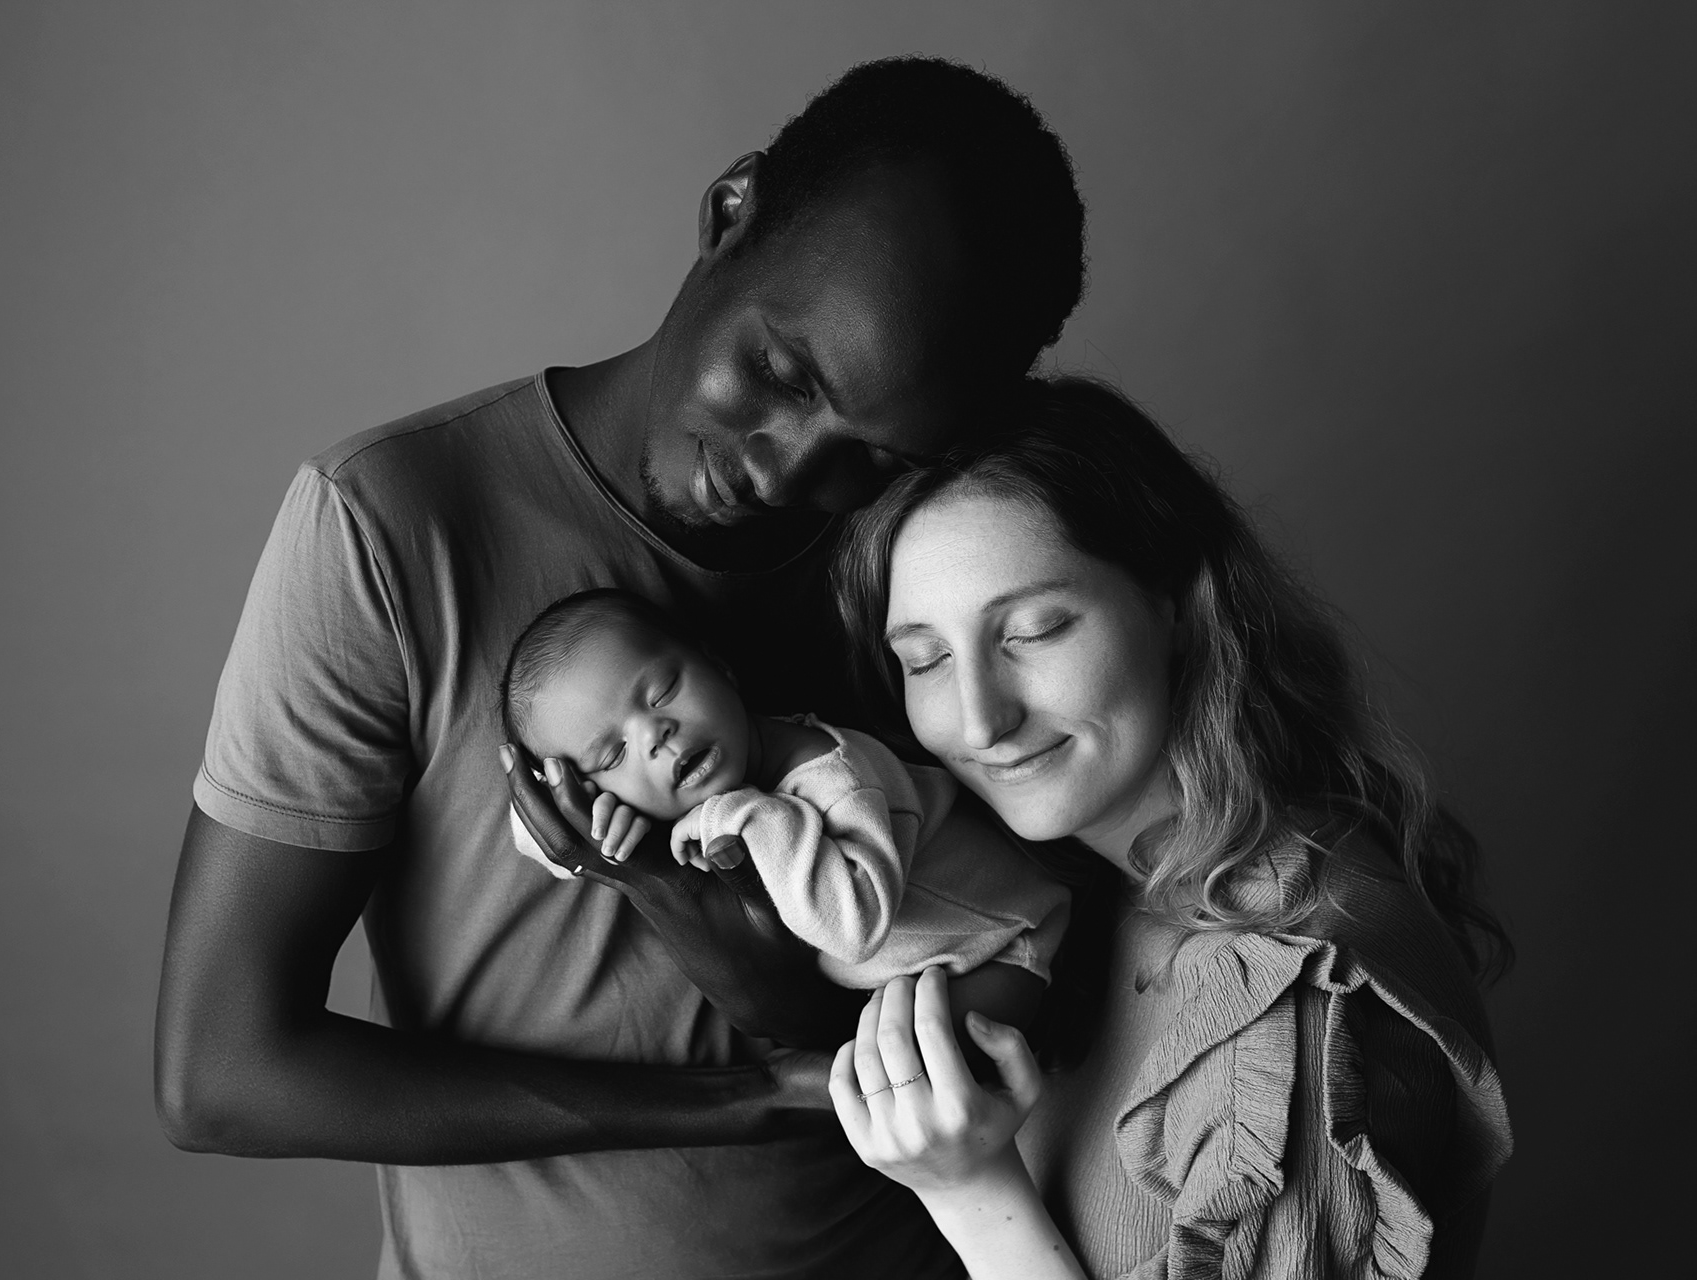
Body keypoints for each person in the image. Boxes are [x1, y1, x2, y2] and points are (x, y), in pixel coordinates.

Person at [154, 57, 1087, 1280]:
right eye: (780, 374)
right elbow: (223, 1074)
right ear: (730, 211)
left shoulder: (933, 558)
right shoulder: (395, 525)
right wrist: (746, 1096)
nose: (785, 469)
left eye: (874, 455)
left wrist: (721, 939)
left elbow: (1009, 965)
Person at [824, 377, 1515, 1279]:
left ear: (1176, 605)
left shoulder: (1299, 1014)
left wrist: (972, 1197)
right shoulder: (1091, 891)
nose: (981, 719)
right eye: (926, 659)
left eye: (1033, 631)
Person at [502, 587, 1070, 993]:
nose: (654, 735)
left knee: (906, 1066)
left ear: (719, 667)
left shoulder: (833, 777)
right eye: (613, 754)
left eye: (662, 692)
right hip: (917, 972)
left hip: (1003, 942)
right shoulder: (690, 788)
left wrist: (748, 815)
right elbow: (552, 840)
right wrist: (582, 817)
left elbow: (854, 927)